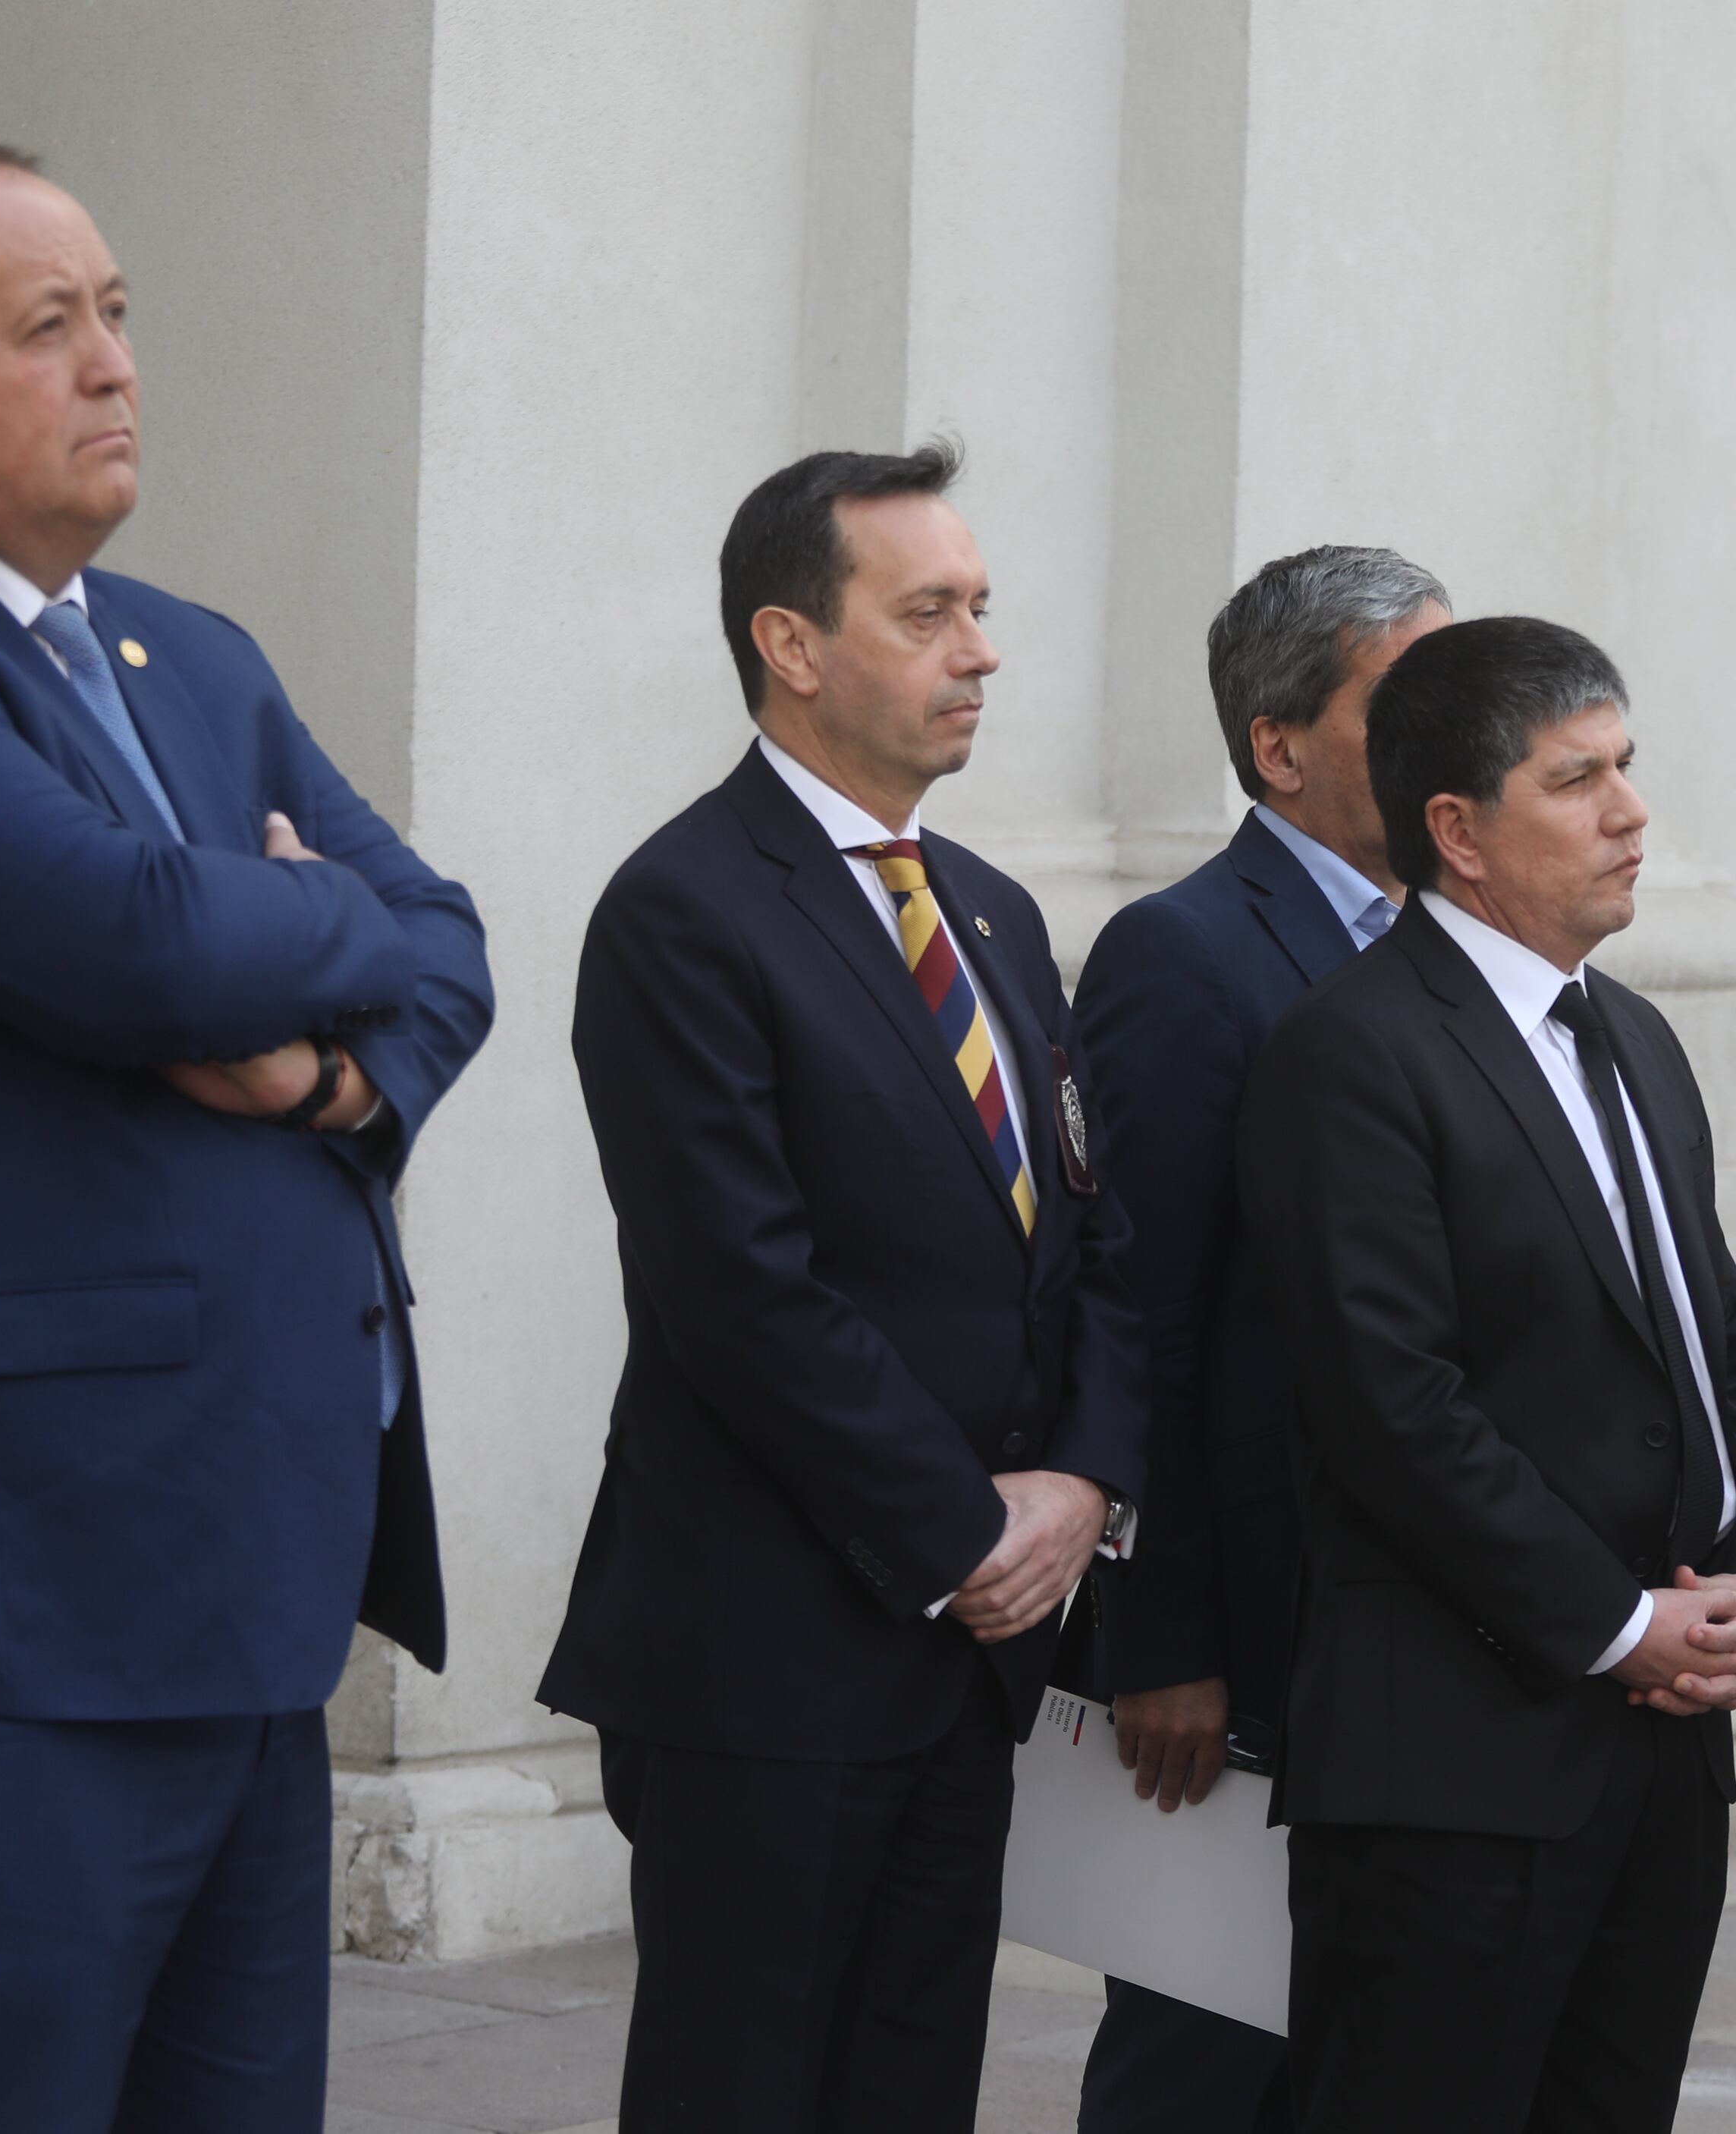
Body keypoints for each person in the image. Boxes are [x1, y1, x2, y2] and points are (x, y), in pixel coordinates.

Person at [0, 146, 491, 2129]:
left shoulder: (185, 654)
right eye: (48, 328)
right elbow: (138, 944)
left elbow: (448, 940)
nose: (114, 364)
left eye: (116, 312)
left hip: (230, 1571)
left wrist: (308, 1058)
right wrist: (290, 921)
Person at [543, 443, 1145, 2130]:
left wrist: (1078, 1490)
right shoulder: (686, 911)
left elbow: (1096, 1235)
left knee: (908, 2085)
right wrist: (967, 1533)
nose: (982, 651)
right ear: (792, 645)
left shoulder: (999, 917)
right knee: (750, 2088)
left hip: (973, 1658)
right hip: (771, 1650)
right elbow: (742, 1294)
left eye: (983, 609)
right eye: (930, 611)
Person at [1240, 616, 1736, 2133]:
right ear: (1457, 833)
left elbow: (1713, 1354)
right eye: (1576, 781)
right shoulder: (1351, 1051)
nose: (1628, 813)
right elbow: (1390, 1402)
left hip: (1660, 1759)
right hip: (1454, 1772)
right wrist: (1618, 1625)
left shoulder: (1631, 1036)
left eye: (1624, 769)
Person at [1067, 545, 1452, 2132]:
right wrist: (1162, 1640)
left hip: (1415, 1642)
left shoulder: (1462, 942)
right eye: (1405, 701)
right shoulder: (1185, 954)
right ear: (1280, 745)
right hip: (1250, 1638)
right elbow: (1138, 1316)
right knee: (1210, 2059)